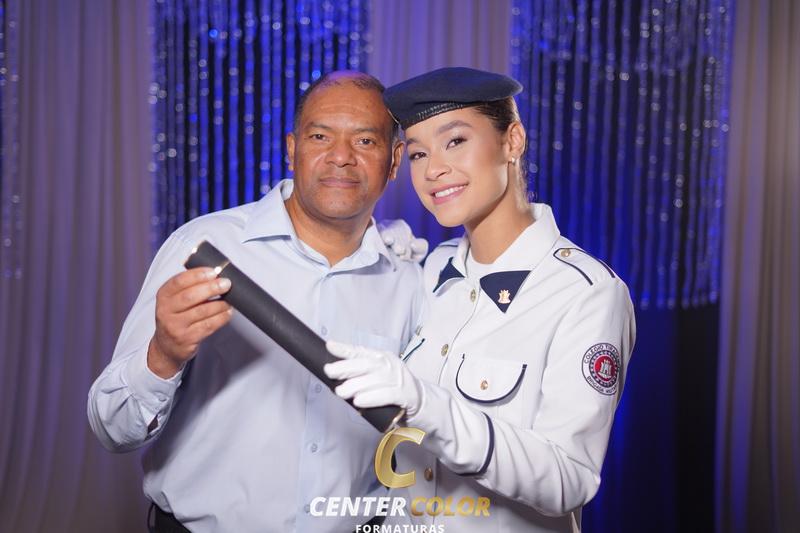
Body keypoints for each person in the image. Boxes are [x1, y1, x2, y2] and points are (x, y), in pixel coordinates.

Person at [87, 71, 427, 533]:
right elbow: (112, 428)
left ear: (394, 160)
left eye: (365, 140)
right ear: (292, 148)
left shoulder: (410, 281)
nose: (341, 156)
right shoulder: (204, 246)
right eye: (320, 136)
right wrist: (163, 355)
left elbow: (417, 443)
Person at [324, 67, 636, 532]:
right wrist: (371, 247)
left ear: (513, 141)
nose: (433, 170)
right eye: (418, 153)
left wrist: (427, 406)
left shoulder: (584, 293)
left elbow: (568, 479)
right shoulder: (433, 270)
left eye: (455, 141)